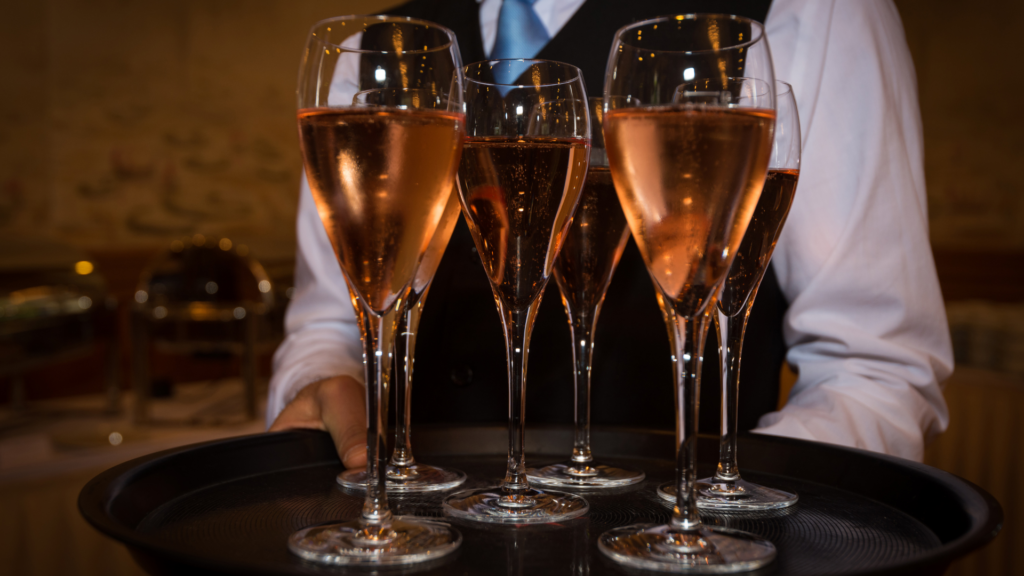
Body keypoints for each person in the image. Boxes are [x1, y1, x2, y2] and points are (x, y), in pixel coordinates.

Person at [268, 0, 953, 470]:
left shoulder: (809, 12)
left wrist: (715, 508)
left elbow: (874, 372)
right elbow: (326, 324)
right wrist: (321, 380)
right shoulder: (368, 52)